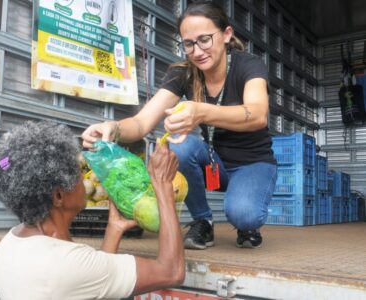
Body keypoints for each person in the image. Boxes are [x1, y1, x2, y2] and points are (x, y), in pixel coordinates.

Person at [82, 1, 277, 250]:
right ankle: (202, 221)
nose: (197, 51)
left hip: (253, 163)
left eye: (205, 39)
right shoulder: (183, 73)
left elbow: (258, 114)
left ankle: (246, 223)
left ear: (226, 35)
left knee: (243, 214)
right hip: (215, 161)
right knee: (180, 144)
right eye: (188, 43)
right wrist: (113, 128)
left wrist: (200, 112)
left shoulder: (248, 65)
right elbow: (142, 123)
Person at [0, 120, 184, 299]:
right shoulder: (67, 264)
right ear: (59, 196)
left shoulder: (9, 244)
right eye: (77, 174)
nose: (83, 180)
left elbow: (93, 287)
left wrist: (113, 228)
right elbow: (172, 272)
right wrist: (163, 183)